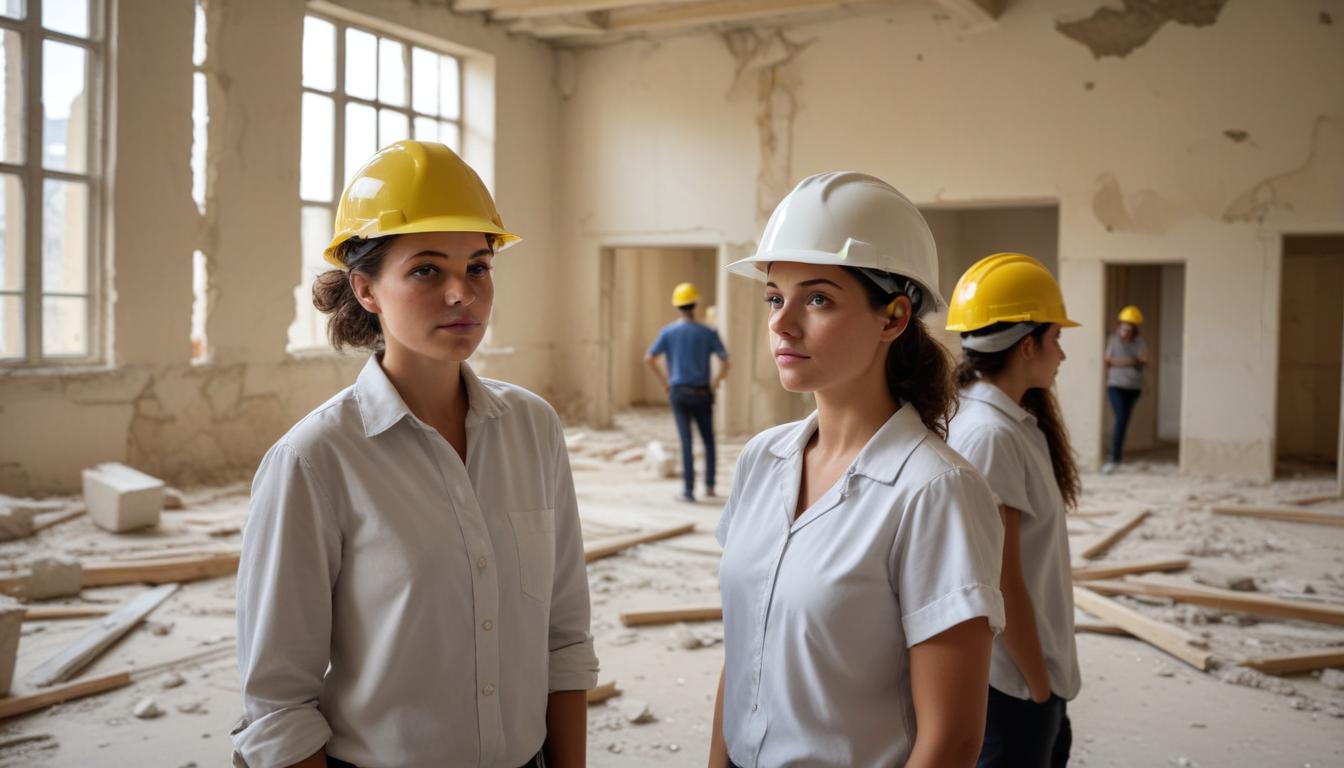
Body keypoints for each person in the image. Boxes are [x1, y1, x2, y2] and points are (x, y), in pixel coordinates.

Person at [231, 140, 597, 768]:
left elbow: (563, 639)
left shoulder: (532, 428)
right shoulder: (316, 461)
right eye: (427, 270)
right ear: (366, 289)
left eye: (478, 267)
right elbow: (277, 705)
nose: (463, 294)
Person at [708, 172, 1006, 768]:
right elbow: (745, 658)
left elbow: (950, 742)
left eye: (816, 298)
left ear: (893, 318)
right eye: (774, 296)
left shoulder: (935, 492)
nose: (782, 322)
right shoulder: (761, 462)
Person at [945, 253, 1083, 768]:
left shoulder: (1003, 422)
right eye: (1056, 339)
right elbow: (1002, 581)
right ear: (1028, 346)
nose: (1062, 354)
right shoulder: (990, 435)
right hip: (1014, 683)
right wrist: (1040, 685)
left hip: (1026, 677)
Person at [645, 282, 731, 502]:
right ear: (695, 304)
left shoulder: (668, 332)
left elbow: (650, 358)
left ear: (677, 306)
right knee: (708, 440)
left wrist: (666, 382)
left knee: (686, 441)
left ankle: (688, 491)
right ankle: (710, 486)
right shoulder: (708, 333)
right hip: (702, 392)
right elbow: (725, 361)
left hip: (679, 392)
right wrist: (715, 383)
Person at [1102, 305, 1147, 473]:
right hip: (1116, 386)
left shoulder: (1140, 342)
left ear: (1134, 328)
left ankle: (1117, 456)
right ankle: (1113, 457)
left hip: (1134, 387)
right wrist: (1131, 360)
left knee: (1124, 421)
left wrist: (1120, 361)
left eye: (1129, 327)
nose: (1125, 330)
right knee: (1120, 418)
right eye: (1124, 326)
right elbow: (1108, 360)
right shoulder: (1113, 340)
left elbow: (1142, 360)